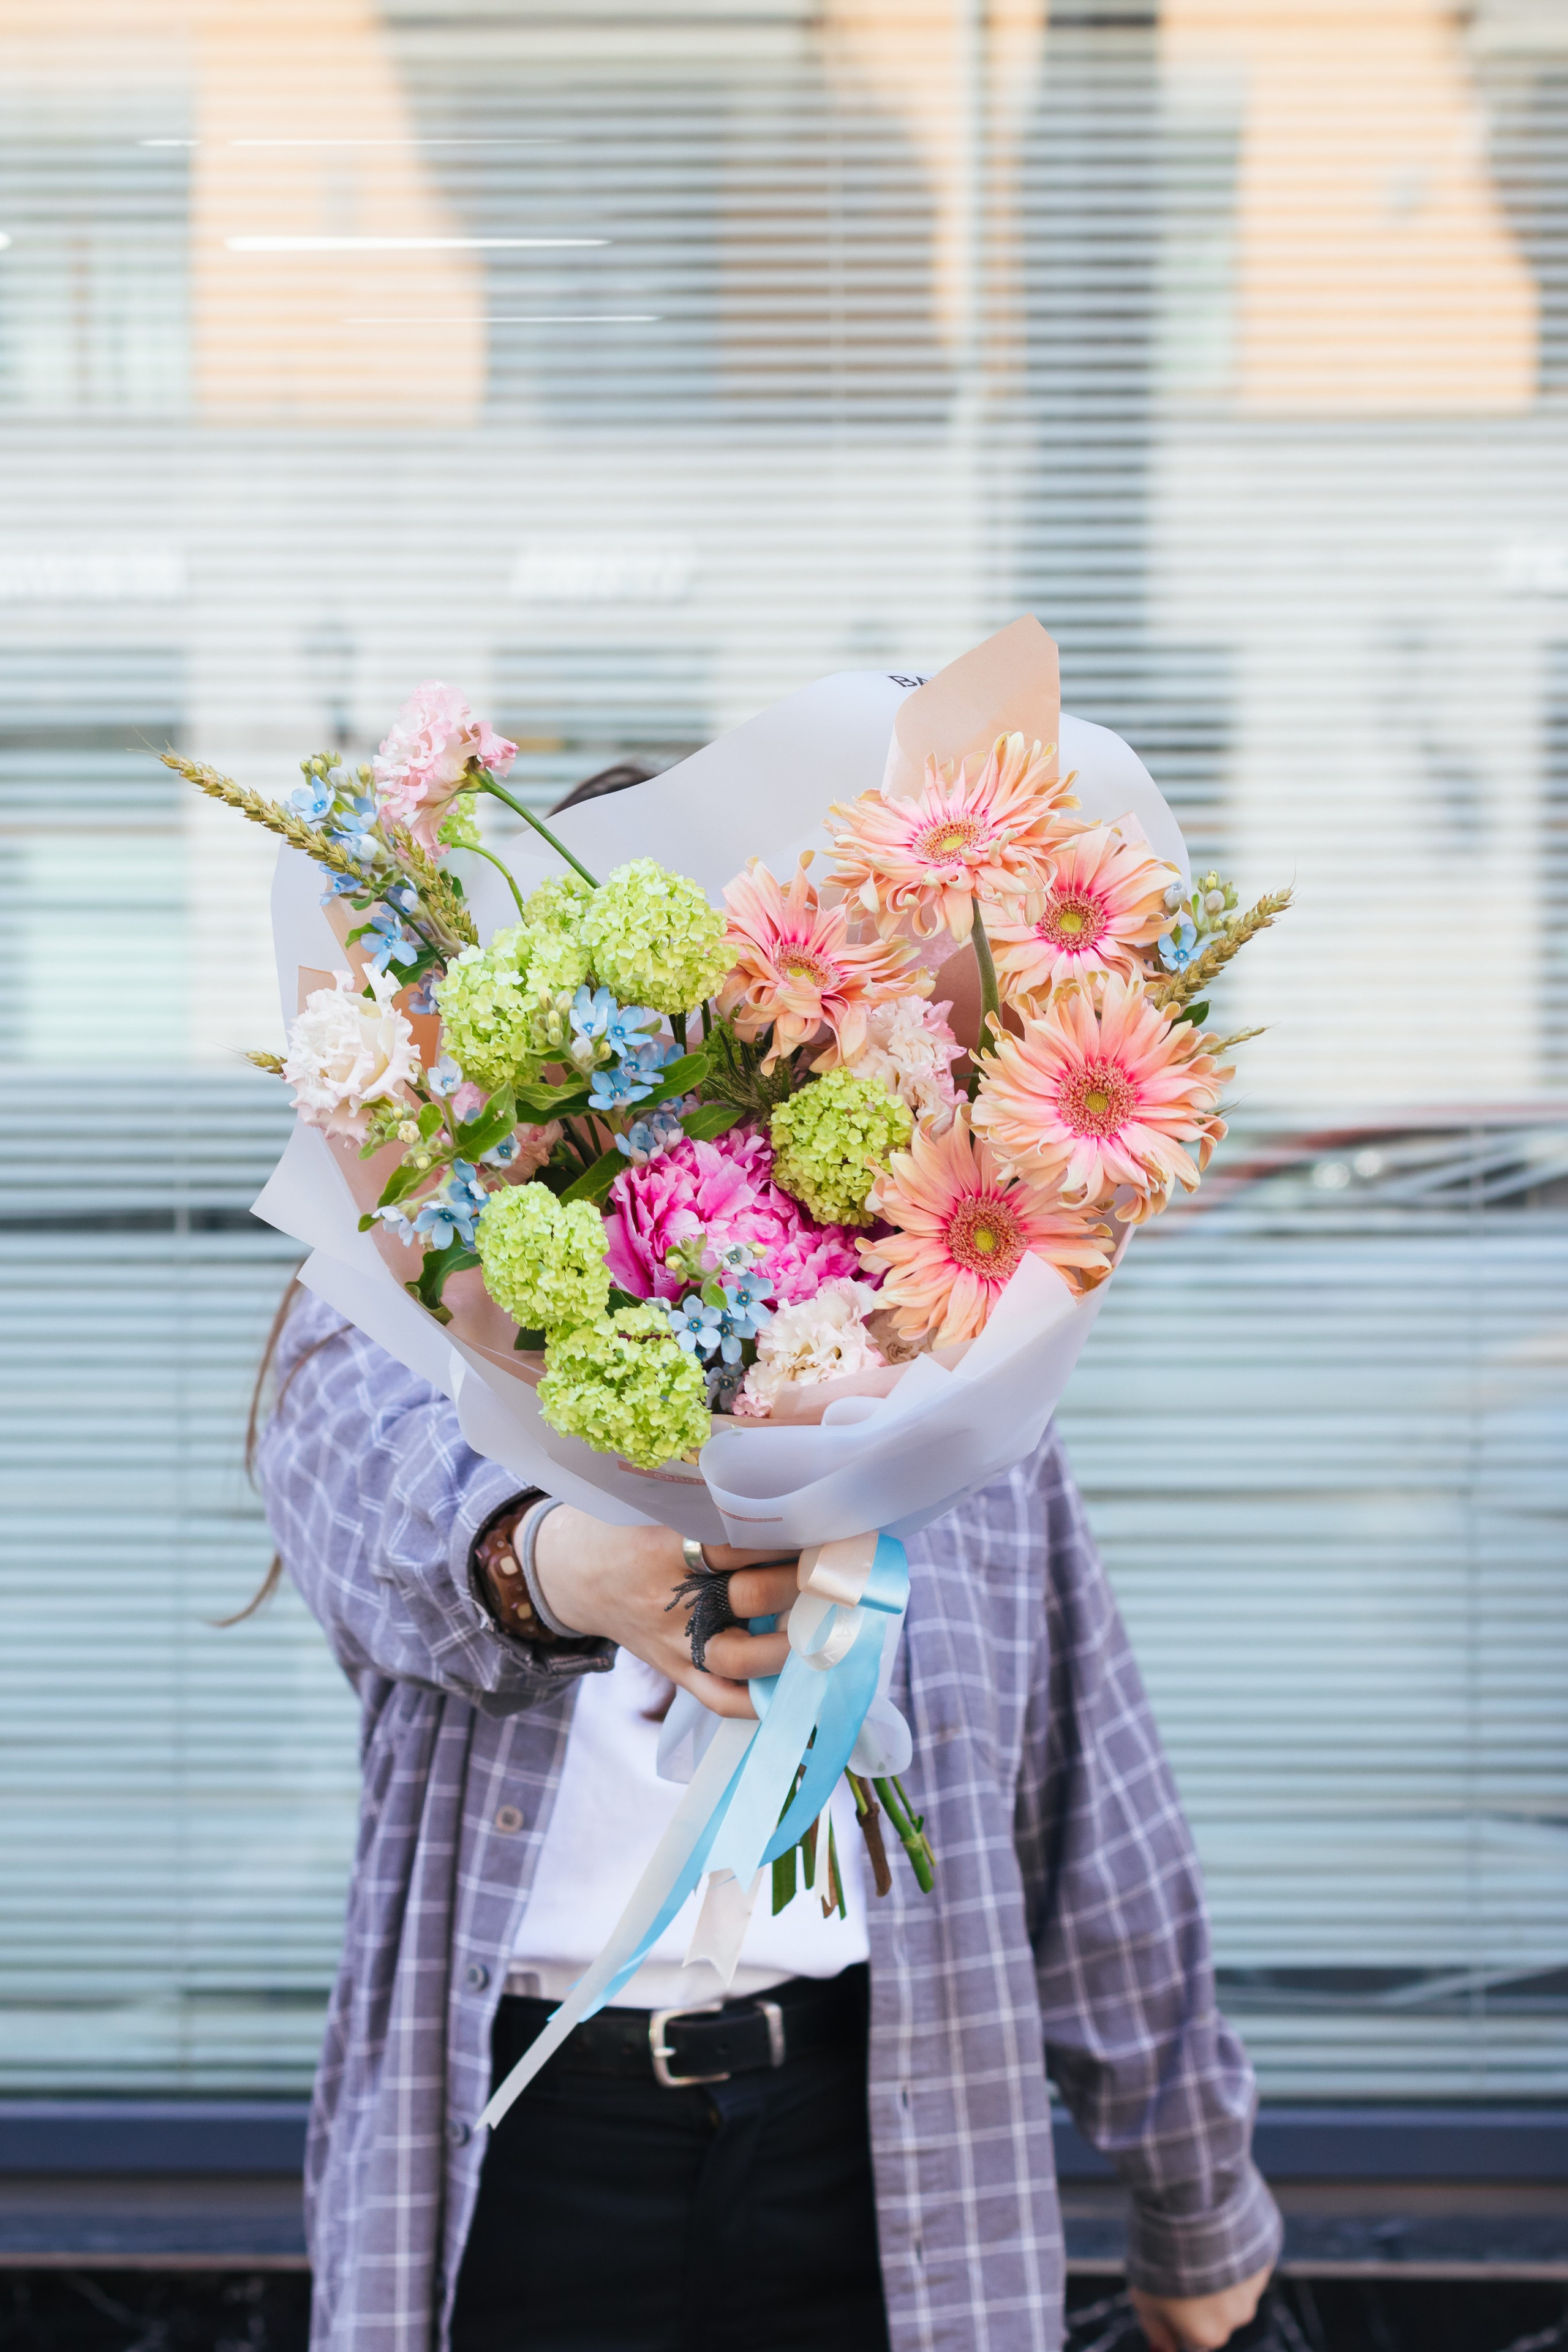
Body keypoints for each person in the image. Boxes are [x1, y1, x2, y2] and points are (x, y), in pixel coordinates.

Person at [252, 764, 1282, 2352]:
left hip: (884, 2129)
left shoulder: (936, 1332)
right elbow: (371, 1515)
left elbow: (1091, 1803)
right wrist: (569, 1564)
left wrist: (1197, 2194)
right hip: (524, 2134)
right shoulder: (401, 1291)